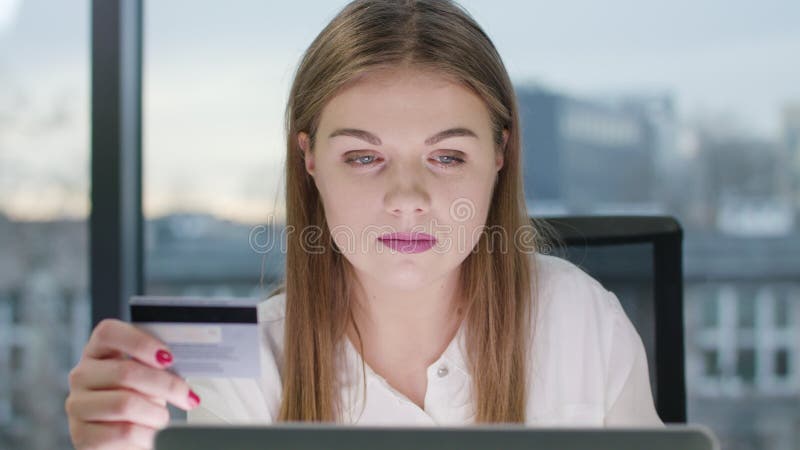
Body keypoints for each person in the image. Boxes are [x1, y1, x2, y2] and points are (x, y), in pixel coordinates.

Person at [65, 0, 663, 448]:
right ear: (310, 160)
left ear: (500, 156)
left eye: (447, 156)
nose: (408, 199)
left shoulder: (583, 321)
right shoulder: (250, 372)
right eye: (364, 157)